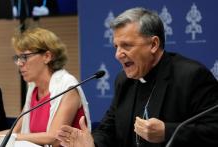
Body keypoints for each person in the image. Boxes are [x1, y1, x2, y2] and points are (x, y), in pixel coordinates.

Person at [56, 7, 218, 147]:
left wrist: (167, 132)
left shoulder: (191, 76)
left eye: (126, 45)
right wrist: (92, 143)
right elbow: (109, 128)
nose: (118, 54)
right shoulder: (124, 81)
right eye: (116, 46)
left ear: (154, 44)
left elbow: (213, 130)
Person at [0, 27, 91, 147]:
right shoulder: (32, 88)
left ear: (47, 56)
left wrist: (13, 137)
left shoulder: (67, 87)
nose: (20, 63)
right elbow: (14, 131)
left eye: (25, 57)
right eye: (18, 58)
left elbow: (54, 137)